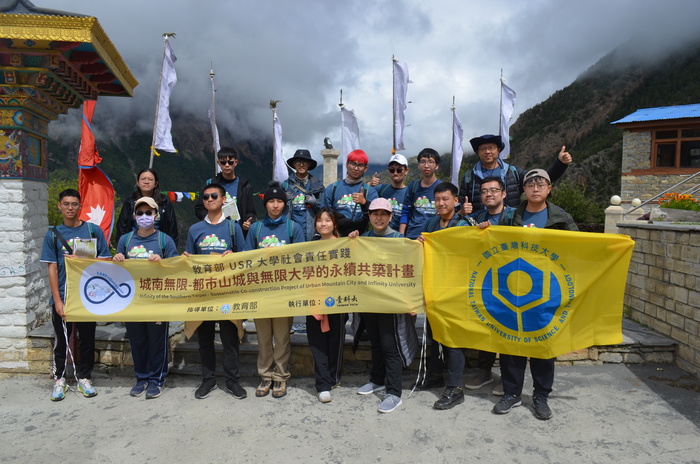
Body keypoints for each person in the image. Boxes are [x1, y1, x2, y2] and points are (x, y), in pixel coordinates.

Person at [491, 169, 578, 420]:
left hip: (548, 289)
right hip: (513, 288)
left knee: (543, 345)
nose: (535, 187)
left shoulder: (560, 217)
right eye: (530, 184)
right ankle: (512, 393)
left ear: (549, 189)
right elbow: (496, 245)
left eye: (541, 183)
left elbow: (577, 248)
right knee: (511, 343)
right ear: (524, 189)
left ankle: (541, 395)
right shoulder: (512, 215)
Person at [40, 188, 112, 401]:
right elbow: (51, 268)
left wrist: (84, 259)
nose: (70, 208)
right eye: (66, 204)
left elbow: (106, 261)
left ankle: (84, 377)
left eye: (74, 204)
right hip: (64, 295)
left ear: (80, 206)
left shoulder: (92, 231)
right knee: (61, 339)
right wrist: (57, 300)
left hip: (88, 295)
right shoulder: (53, 235)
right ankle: (60, 379)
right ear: (59, 206)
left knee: (87, 338)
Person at [349, 198, 419, 414]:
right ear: (368, 217)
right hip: (370, 301)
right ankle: (377, 379)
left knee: (390, 346)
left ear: (391, 217)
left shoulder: (400, 239)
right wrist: (351, 240)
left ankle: (394, 392)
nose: (379, 218)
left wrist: (411, 300)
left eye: (383, 214)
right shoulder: (364, 238)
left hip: (391, 303)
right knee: (377, 342)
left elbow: (410, 270)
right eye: (374, 213)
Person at [183, 183, 249, 400]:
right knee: (205, 338)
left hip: (228, 292)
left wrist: (233, 255)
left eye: (214, 196)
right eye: (206, 196)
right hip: (204, 292)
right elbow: (189, 261)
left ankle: (232, 380)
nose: (210, 199)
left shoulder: (233, 228)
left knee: (230, 338)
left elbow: (245, 257)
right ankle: (208, 380)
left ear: (223, 200)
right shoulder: (195, 229)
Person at [113, 197, 178, 399]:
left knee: (157, 341)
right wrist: (118, 259)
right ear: (134, 216)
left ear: (156, 216)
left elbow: (176, 268)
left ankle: (157, 379)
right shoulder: (125, 240)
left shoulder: (164, 240)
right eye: (140, 213)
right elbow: (116, 272)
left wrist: (163, 262)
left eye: (148, 213)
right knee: (137, 340)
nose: (144, 217)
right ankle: (141, 377)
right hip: (132, 300)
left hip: (157, 300)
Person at [246, 182, 305, 399]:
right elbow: (246, 258)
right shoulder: (256, 229)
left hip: (284, 292)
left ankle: (280, 377)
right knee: (263, 337)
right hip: (261, 291)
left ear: (285, 204)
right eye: (271, 201)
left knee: (281, 337)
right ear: (265, 204)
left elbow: (300, 259)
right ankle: (265, 375)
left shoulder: (293, 228)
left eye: (279, 201)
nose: (275, 205)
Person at [415, 183, 470, 409]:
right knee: (434, 334)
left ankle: (456, 387)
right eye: (437, 199)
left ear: (455, 201)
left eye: (445, 199)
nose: (440, 203)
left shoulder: (465, 224)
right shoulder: (431, 223)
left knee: (454, 339)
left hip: (456, 291)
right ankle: (435, 375)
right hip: (435, 288)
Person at [463, 176, 516, 396]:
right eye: (484, 191)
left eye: (494, 190)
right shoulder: (476, 218)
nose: (488, 194)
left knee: (507, 330)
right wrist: (461, 215)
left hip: (511, 282)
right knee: (486, 327)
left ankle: (507, 377)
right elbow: (458, 233)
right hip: (485, 282)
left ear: (504, 194)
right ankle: (484, 372)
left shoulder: (514, 216)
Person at [459, 134, 572, 214]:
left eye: (491, 148)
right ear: (478, 153)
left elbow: (542, 180)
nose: (487, 151)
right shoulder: (470, 177)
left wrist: (560, 164)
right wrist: (462, 211)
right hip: (480, 227)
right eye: (483, 149)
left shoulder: (513, 173)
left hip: (510, 225)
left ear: (498, 150)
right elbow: (461, 203)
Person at [306, 207, 348, 403]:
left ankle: (333, 377)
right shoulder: (308, 247)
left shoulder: (344, 245)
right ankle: (322, 384)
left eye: (327, 220)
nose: (323, 224)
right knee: (316, 342)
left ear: (334, 224)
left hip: (337, 302)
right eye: (320, 220)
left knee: (335, 341)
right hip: (314, 301)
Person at [194, 147, 257, 234]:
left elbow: (251, 212)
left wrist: (249, 222)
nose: (227, 165)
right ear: (218, 163)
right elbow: (199, 208)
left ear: (236, 162)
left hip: (239, 233)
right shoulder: (210, 184)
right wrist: (211, 221)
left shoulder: (245, 186)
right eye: (223, 162)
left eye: (230, 162)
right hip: (215, 232)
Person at [320, 149, 378, 236]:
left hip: (362, 239)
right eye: (353, 164)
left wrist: (364, 203)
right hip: (336, 238)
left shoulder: (370, 191)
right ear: (347, 165)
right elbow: (323, 215)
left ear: (365, 169)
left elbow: (377, 217)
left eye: (360, 165)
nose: (356, 168)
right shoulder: (332, 189)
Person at [116, 168, 179, 245]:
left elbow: (172, 227)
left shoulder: (164, 202)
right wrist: (122, 247)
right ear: (138, 183)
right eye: (143, 179)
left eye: (150, 179)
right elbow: (122, 226)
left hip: (158, 245)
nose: (146, 182)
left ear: (156, 183)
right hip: (133, 245)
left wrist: (170, 248)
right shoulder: (130, 202)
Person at [399, 148, 443, 239]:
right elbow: (405, 212)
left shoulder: (442, 187)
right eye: (423, 162)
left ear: (437, 166)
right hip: (412, 235)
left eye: (430, 162)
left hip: (433, 236)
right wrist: (401, 236)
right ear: (418, 165)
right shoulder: (413, 186)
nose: (426, 165)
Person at [281, 149, 325, 241]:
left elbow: (325, 209)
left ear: (309, 164)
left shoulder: (318, 186)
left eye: (304, 161)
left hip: (313, 234)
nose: (301, 164)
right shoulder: (285, 185)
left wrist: (315, 202)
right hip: (291, 234)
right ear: (294, 164)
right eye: (298, 161)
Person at [369, 153, 410, 231]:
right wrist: (370, 184)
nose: (395, 173)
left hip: (400, 237)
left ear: (406, 171)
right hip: (381, 236)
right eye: (392, 170)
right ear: (388, 170)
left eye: (399, 170)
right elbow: (361, 192)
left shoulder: (410, 193)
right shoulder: (381, 189)